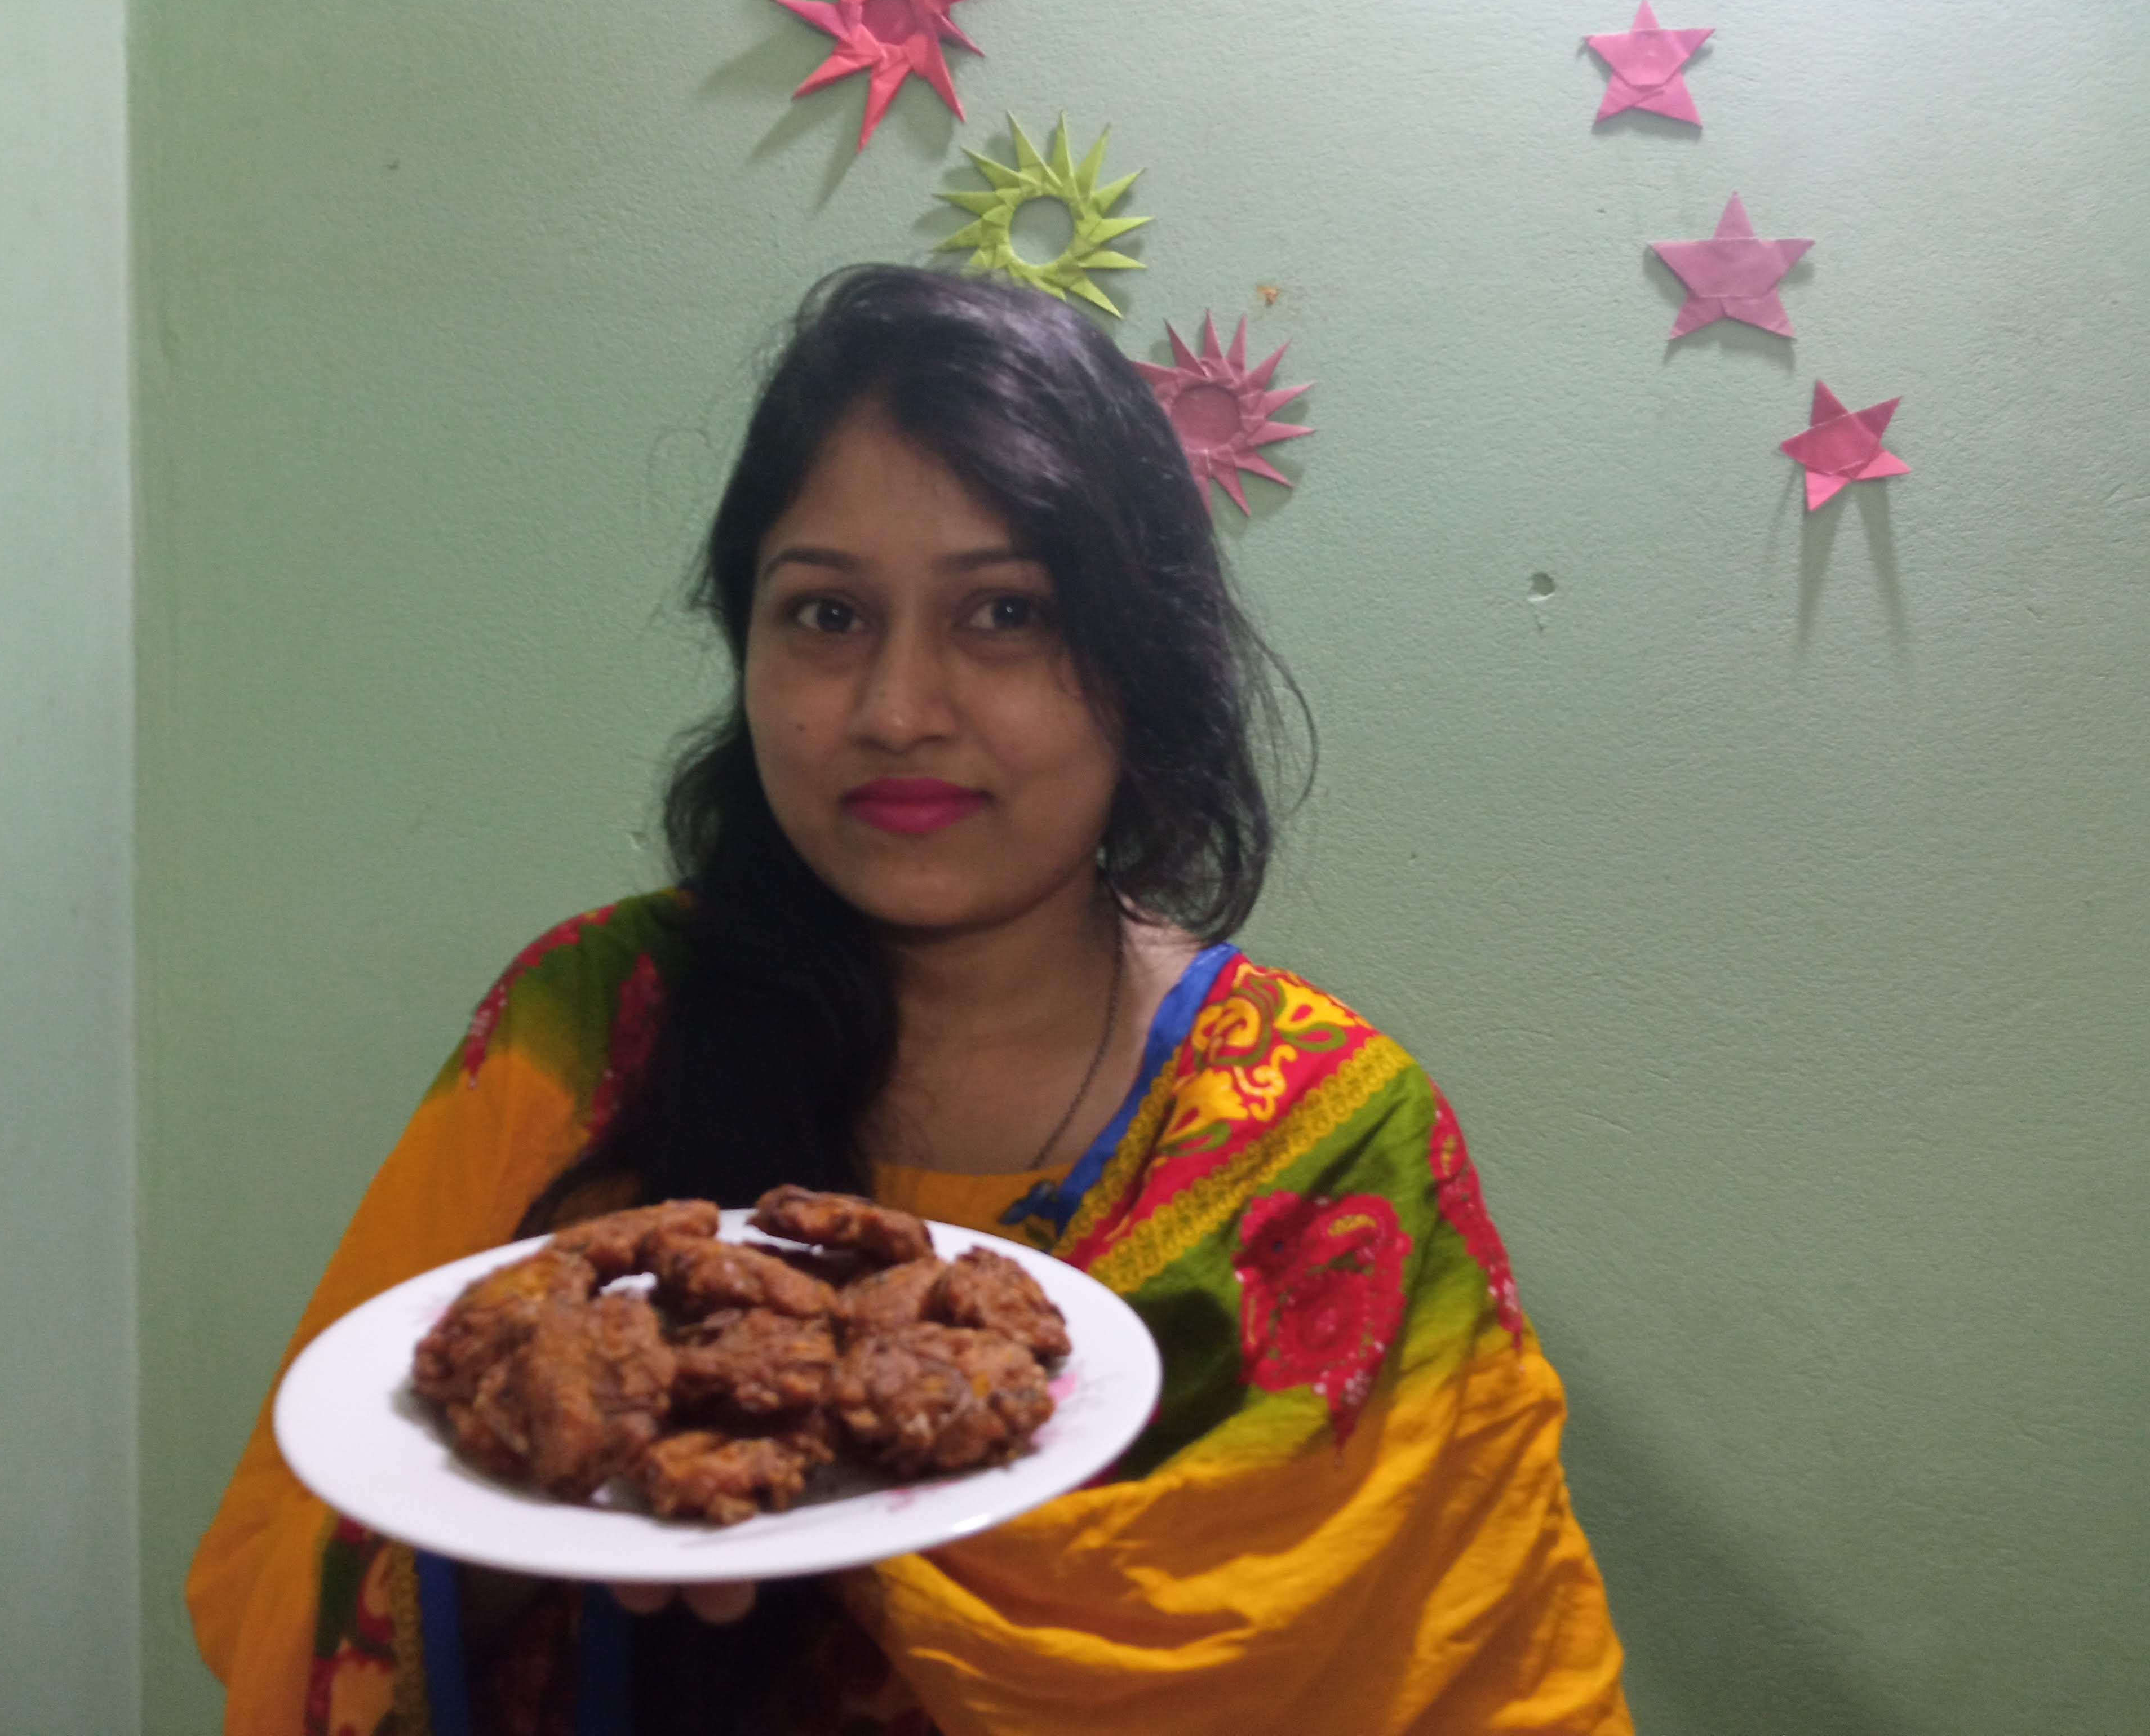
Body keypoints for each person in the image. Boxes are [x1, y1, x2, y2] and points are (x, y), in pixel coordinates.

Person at [188, 264, 1632, 1735]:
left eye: (1005, 612)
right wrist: (541, 1511)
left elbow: (1485, 1678)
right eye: (825, 614)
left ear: (1144, 655)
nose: (895, 710)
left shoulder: (1326, 1140)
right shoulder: (590, 1023)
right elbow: (294, 1555)